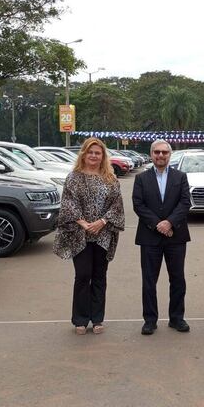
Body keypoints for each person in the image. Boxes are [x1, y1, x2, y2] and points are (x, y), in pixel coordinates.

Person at [54, 137, 125, 335]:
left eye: (98, 153)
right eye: (90, 152)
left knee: (100, 276)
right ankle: (80, 319)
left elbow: (117, 205)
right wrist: (84, 223)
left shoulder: (110, 179)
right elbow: (68, 203)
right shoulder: (74, 177)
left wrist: (102, 222)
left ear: (103, 156)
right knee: (83, 275)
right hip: (80, 234)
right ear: (84, 154)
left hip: (103, 234)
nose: (94, 156)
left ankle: (97, 319)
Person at [132, 139, 192, 335]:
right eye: (157, 152)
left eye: (164, 152)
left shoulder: (180, 177)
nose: (160, 155)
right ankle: (150, 320)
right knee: (149, 280)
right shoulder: (141, 178)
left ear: (170, 155)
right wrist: (158, 224)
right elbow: (138, 204)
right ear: (151, 154)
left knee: (178, 279)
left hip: (176, 236)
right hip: (150, 237)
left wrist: (169, 223)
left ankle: (177, 318)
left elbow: (184, 203)